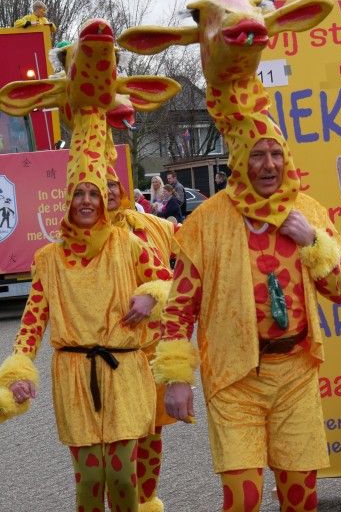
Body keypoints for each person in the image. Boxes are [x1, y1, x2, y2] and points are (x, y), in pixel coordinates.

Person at [153, 133, 341, 512]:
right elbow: (180, 306)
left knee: (302, 499)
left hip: (295, 374)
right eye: (258, 154)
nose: (269, 164)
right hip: (234, 377)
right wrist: (177, 378)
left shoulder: (307, 212)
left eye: (276, 154)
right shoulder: (206, 221)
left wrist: (312, 241)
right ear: (239, 161)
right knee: (243, 500)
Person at [0, 167, 171, 511]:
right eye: (79, 193)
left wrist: (152, 296)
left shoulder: (129, 244)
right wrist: (18, 371)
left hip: (124, 373)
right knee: (91, 478)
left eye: (94, 194)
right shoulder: (48, 259)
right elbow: (32, 320)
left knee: (122, 475)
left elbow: (170, 282)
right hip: (75, 376)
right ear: (67, 201)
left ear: (105, 201)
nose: (87, 201)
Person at [108, 169, 178, 511]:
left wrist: (154, 294)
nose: (106, 192)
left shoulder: (149, 225)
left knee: (152, 433)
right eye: (96, 187)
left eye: (111, 185)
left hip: (151, 348)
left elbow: (190, 252)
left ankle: (147, 500)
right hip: (111, 354)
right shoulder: (76, 240)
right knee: (117, 438)